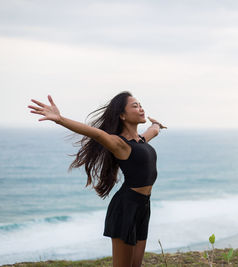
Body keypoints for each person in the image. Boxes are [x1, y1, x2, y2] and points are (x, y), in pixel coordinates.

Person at [28, 91, 167, 267]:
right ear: (122, 115)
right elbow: (97, 134)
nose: (140, 108)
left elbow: (153, 131)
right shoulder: (120, 144)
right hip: (126, 207)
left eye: (140, 105)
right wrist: (59, 119)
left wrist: (156, 124)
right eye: (135, 106)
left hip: (143, 206)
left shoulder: (141, 140)